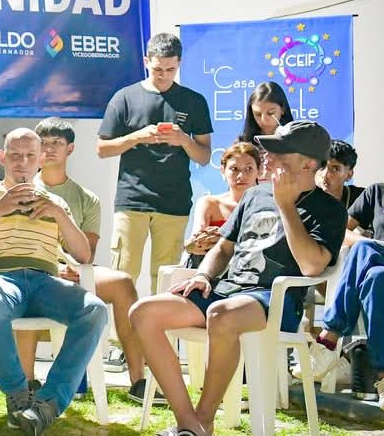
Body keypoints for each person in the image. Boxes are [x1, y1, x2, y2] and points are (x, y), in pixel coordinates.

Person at [129, 120, 346, 436]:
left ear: (308, 163)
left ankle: (203, 419)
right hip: (227, 290)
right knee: (143, 313)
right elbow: (224, 247)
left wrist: (285, 205)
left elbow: (312, 267)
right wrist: (204, 273)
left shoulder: (329, 209)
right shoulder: (254, 195)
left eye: (279, 152)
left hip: (273, 299)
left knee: (221, 315)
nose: (267, 157)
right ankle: (190, 424)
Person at [0, 127, 106, 435]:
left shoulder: (54, 202)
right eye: (14, 156)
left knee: (95, 310)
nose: (21, 163)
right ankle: (18, 395)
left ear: (40, 159)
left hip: (44, 282)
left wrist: (58, 213)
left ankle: (48, 404)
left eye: (29, 156)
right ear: (2, 158)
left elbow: (83, 254)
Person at [11, 118, 152, 404]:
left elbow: (86, 252)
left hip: (75, 271)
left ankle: (138, 380)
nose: (49, 150)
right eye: (45, 144)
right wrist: (54, 268)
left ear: (70, 149)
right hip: (34, 270)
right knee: (28, 280)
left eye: (57, 144)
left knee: (123, 282)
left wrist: (70, 268)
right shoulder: (19, 190)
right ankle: (27, 383)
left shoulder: (87, 198)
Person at [298, 134, 384, 412]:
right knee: (377, 277)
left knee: (366, 252)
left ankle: (329, 338)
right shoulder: (378, 193)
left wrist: (369, 247)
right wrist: (374, 245)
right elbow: (342, 231)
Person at [97, 33, 212, 294]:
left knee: (166, 278)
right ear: (146, 61)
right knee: (122, 275)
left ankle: (162, 335)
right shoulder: (125, 97)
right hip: (132, 199)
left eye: (171, 69)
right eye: (158, 68)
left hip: (174, 201)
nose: (163, 75)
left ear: (179, 63)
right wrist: (137, 136)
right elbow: (102, 149)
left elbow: (204, 156)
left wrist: (183, 139)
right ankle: (120, 336)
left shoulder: (194, 101)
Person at [184, 142, 261, 269]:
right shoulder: (209, 203)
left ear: (259, 171)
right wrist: (195, 243)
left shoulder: (270, 203)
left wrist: (222, 238)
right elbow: (197, 241)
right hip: (211, 268)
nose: (241, 176)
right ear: (223, 171)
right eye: (234, 169)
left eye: (248, 168)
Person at [316, 139, 364, 209]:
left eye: (335, 169)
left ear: (349, 174)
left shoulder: (362, 199)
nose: (326, 174)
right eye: (321, 166)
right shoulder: (299, 199)